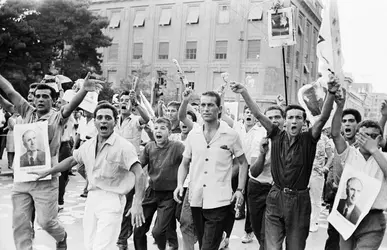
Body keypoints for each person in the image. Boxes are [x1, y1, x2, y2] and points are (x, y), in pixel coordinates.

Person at [230, 75, 338, 250]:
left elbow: (323, 117)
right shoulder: (275, 135)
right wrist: (244, 92)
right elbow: (258, 113)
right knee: (271, 246)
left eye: (298, 117)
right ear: (285, 121)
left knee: (295, 246)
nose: (294, 121)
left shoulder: (309, 139)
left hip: (300, 200)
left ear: (304, 122)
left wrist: (331, 93)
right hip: (275, 197)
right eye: (290, 117)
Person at [0, 72, 98, 250]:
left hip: (46, 179)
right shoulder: (27, 110)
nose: (40, 100)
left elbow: (71, 106)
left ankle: (61, 237)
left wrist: (84, 90)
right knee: (20, 225)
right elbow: (10, 91)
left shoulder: (57, 117)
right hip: (22, 179)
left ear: (53, 100)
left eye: (45, 97)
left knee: (46, 222)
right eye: (37, 96)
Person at [30, 102, 146, 250]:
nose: (103, 120)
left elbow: (140, 174)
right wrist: (48, 171)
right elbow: (72, 160)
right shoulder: (89, 144)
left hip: (112, 200)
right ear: (95, 122)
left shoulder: (124, 147)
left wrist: (137, 203)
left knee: (103, 246)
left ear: (115, 122)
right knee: (90, 245)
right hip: (92, 199)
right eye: (100, 117)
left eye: (108, 118)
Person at [174, 91, 249, 250]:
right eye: (203, 105)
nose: (206, 109)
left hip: (220, 200)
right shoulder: (193, 134)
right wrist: (180, 184)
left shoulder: (230, 135)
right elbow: (184, 163)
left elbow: (243, 163)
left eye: (210, 105)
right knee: (205, 244)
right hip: (196, 199)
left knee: (207, 247)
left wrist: (240, 190)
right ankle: (221, 242)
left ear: (219, 109)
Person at [331, 90, 387, 249]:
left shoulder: (383, 157)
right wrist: (339, 106)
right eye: (364, 135)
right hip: (347, 214)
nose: (368, 139)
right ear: (356, 136)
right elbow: (335, 134)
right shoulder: (349, 154)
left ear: (380, 139)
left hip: (373, 220)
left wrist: (374, 150)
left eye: (373, 136)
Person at [134, 117, 184, 250]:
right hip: (151, 192)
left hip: (169, 195)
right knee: (138, 230)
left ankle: (164, 247)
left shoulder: (177, 147)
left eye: (162, 128)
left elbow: (189, 161)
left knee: (158, 232)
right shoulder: (149, 147)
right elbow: (138, 166)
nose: (158, 131)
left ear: (170, 132)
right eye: (156, 128)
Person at [115, 90, 150, 250]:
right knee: (115, 204)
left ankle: (122, 239)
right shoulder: (112, 120)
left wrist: (136, 103)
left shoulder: (136, 120)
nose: (124, 103)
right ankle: (119, 234)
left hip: (131, 169)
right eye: (121, 100)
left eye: (127, 100)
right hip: (114, 168)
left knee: (129, 205)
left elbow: (147, 118)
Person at [324, 108, 362, 250]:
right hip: (338, 198)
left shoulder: (363, 146)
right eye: (344, 121)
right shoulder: (339, 143)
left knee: (353, 240)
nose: (347, 124)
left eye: (351, 121)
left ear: (358, 124)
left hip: (357, 198)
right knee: (333, 239)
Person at [248, 106, 285, 250]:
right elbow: (254, 171)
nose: (274, 121)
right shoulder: (258, 137)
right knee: (259, 231)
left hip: (278, 191)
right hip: (257, 188)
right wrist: (262, 154)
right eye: (270, 118)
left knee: (269, 236)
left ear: (284, 119)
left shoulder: (290, 139)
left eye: (277, 117)